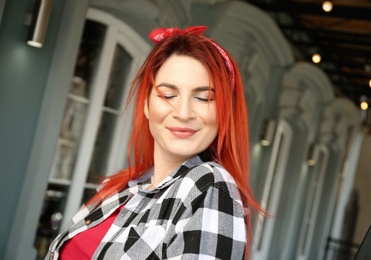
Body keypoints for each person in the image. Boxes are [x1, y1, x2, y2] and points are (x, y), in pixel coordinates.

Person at [45, 25, 266, 260]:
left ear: (224, 113)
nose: (183, 112)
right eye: (168, 95)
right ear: (146, 105)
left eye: (204, 98)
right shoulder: (124, 187)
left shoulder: (209, 185)